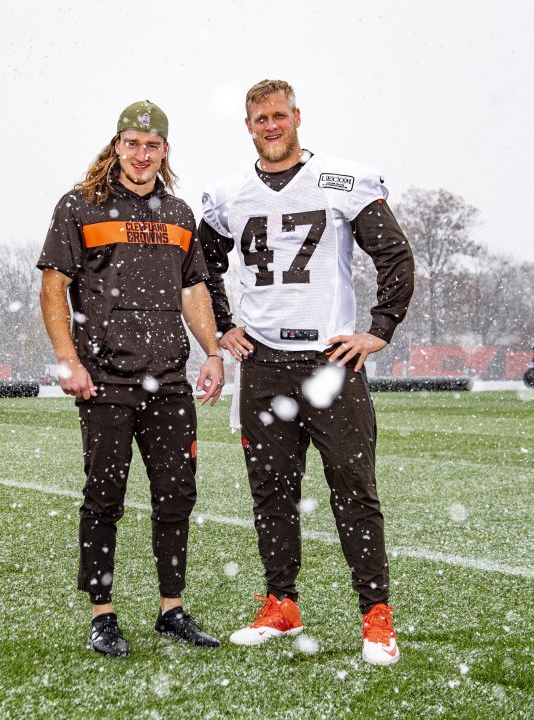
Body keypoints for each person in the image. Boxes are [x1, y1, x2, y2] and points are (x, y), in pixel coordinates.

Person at [198, 79, 415, 665]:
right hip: (263, 362)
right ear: (248, 125)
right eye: (259, 118)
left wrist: (381, 326)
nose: (270, 126)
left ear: (297, 117)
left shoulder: (342, 180)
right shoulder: (228, 196)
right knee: (271, 492)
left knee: (354, 491)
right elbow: (202, 267)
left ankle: (376, 615)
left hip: (330, 362)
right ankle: (281, 603)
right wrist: (222, 324)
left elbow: (393, 253)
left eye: (278, 115)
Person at [37, 100, 226, 657]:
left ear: (164, 151)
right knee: (104, 496)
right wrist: (68, 360)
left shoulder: (180, 214)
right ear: (116, 146)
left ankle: (171, 609)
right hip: (106, 379)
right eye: (132, 143)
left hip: (168, 379)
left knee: (177, 496)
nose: (142, 155)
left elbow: (194, 290)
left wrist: (212, 353)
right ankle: (103, 615)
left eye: (153, 146)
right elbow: (54, 286)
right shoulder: (80, 206)